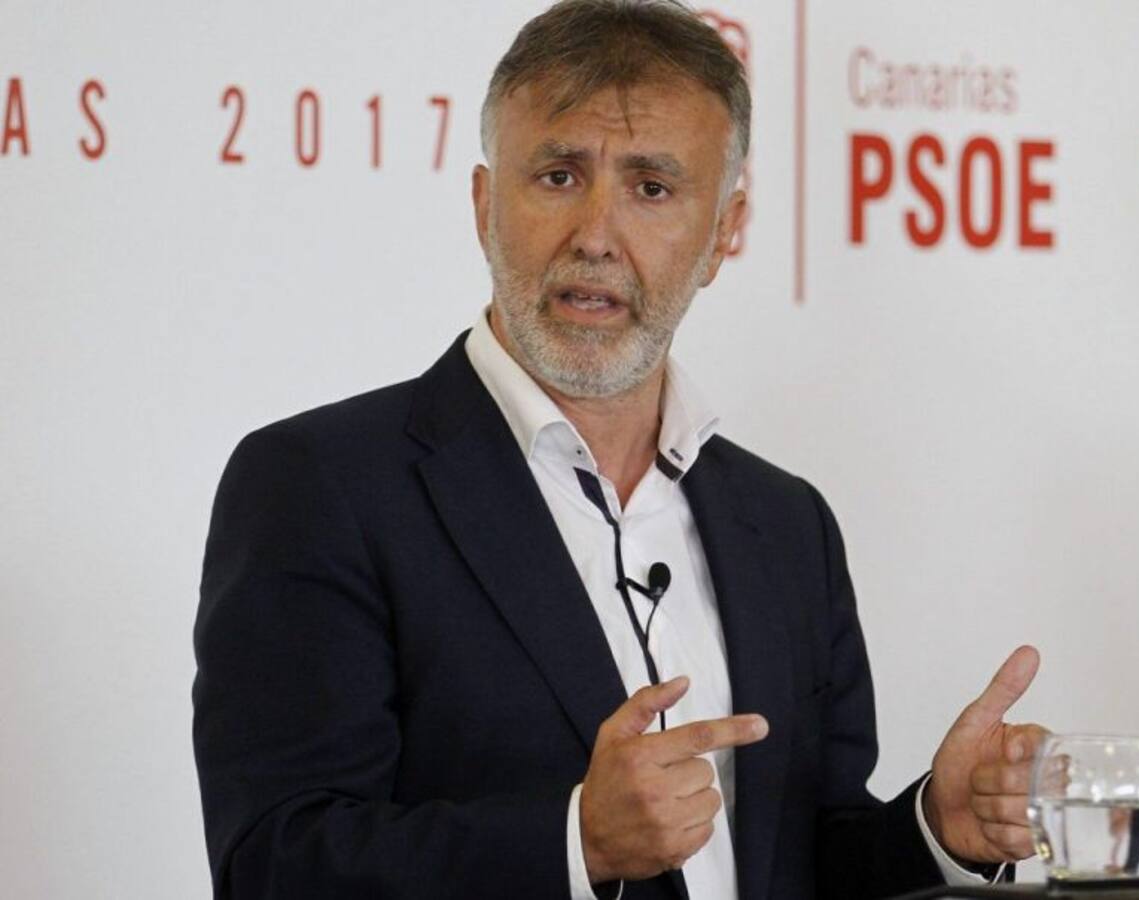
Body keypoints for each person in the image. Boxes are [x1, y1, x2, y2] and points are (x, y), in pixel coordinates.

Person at [192, 2, 1048, 898]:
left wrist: (936, 832)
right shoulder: (321, 487)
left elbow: (806, 859)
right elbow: (273, 865)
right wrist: (573, 843)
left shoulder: (788, 524)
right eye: (559, 176)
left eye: (652, 188)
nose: (596, 236)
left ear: (722, 234)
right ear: (485, 207)